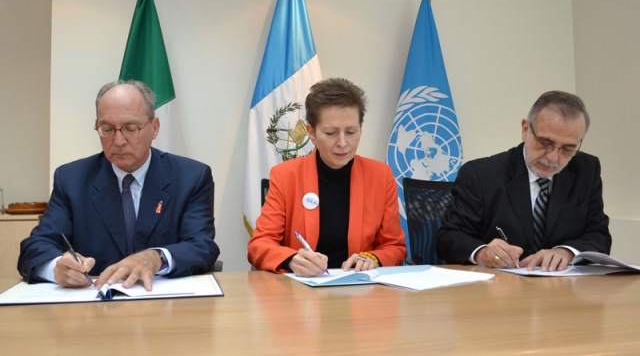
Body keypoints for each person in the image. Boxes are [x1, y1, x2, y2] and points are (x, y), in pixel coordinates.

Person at [18, 80, 220, 290]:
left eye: (130, 128)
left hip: (164, 305)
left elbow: (202, 246)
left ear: (154, 128)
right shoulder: (71, 179)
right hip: (93, 308)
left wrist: (156, 257)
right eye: (107, 129)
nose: (119, 140)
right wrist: (57, 268)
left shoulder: (191, 177)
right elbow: (35, 247)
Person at [437, 91, 611, 272]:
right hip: (497, 290)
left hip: (561, 288)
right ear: (525, 130)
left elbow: (599, 236)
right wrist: (482, 252)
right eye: (545, 143)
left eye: (567, 149)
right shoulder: (480, 174)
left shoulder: (586, 170)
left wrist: (566, 252)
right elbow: (449, 237)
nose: (553, 157)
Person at [248, 77, 406, 277]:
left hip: (361, 291)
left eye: (351, 132)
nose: (342, 143)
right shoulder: (286, 176)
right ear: (311, 132)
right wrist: (291, 260)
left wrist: (372, 259)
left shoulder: (380, 176)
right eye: (331, 133)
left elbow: (395, 247)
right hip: (302, 294)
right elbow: (259, 245)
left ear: (361, 127)